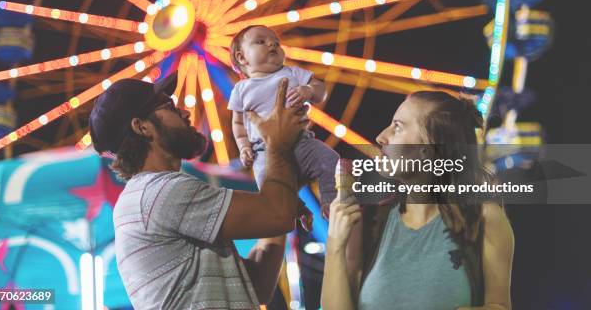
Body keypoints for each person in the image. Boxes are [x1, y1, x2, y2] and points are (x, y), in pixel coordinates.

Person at [89, 76, 307, 309]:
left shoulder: (146, 197)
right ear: (142, 126)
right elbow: (276, 214)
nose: (185, 113)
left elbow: (258, 285)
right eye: (170, 107)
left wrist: (286, 193)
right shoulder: (161, 194)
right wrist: (275, 141)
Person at [321, 91, 515, 310]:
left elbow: (499, 305)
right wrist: (335, 244)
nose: (381, 137)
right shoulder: (367, 223)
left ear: (430, 147)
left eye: (398, 127)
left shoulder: (484, 218)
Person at [228, 25, 339, 223]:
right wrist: (244, 146)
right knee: (268, 190)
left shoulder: (292, 73)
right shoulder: (240, 89)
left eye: (276, 43)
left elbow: (320, 89)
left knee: (331, 161)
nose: (272, 44)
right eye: (261, 41)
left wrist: (308, 90)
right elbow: (238, 124)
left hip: (301, 143)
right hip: (264, 152)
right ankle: (297, 209)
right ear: (242, 57)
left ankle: (330, 201)